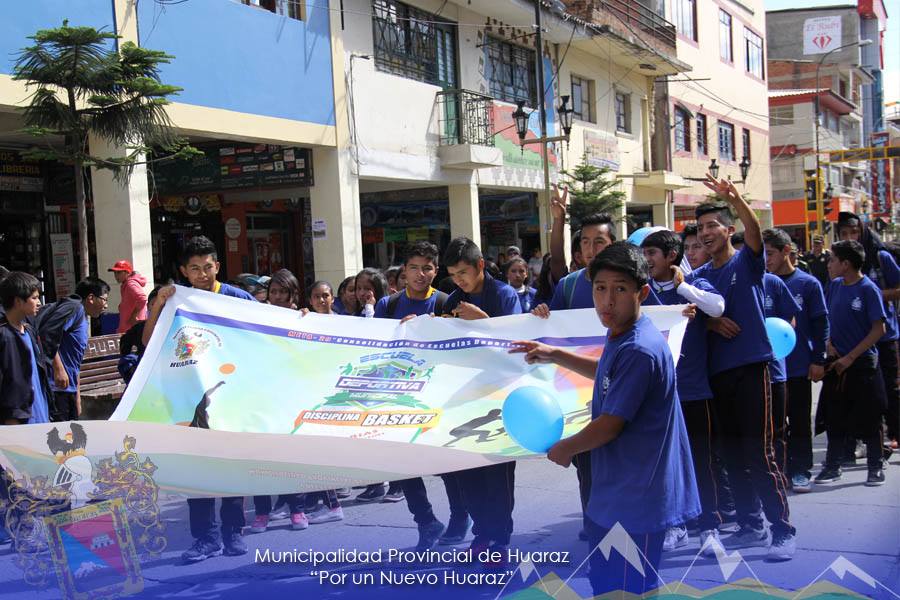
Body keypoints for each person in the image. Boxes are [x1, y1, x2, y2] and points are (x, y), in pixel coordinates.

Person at [511, 243, 699, 595]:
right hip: (620, 489)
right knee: (613, 584)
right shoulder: (623, 335)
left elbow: (611, 423)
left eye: (620, 289)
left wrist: (566, 447)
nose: (608, 301)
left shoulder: (639, 348)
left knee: (625, 588)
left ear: (642, 292)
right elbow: (608, 373)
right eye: (600, 288)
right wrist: (555, 354)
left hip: (636, 497)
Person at [691, 175, 795, 561]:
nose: (704, 234)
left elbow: (755, 230)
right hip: (717, 378)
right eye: (699, 229)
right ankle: (751, 526)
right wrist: (711, 321)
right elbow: (688, 312)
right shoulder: (700, 278)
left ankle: (782, 530)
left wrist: (734, 198)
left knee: (759, 453)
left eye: (712, 226)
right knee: (731, 456)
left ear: (729, 230)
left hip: (752, 370)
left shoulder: (748, 263)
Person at [142, 235, 255, 563]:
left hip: (230, 399)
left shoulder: (238, 298)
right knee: (196, 472)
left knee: (231, 469)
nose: (203, 274)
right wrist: (157, 307)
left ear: (218, 266)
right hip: (190, 403)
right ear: (183, 271)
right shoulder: (176, 302)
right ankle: (205, 538)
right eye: (195, 269)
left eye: (208, 267)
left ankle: (233, 532)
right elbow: (149, 341)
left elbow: (268, 332)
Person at [373, 242, 469, 550]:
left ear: (435, 271)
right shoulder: (387, 306)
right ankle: (426, 521)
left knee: (446, 466)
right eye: (414, 267)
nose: (420, 274)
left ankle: (459, 516)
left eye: (426, 268)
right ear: (404, 271)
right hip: (398, 398)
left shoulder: (446, 302)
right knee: (402, 464)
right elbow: (370, 347)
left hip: (439, 397)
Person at [640, 230, 726, 556]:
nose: (647, 260)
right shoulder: (641, 293)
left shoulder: (695, 284)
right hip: (657, 397)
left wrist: (683, 289)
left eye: (652, 253)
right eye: (644, 253)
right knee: (665, 466)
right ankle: (674, 525)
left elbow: (717, 308)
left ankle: (710, 528)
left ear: (671, 257)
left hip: (693, 392)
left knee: (702, 463)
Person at [440, 236, 521, 565]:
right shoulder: (452, 300)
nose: (459, 281)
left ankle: (500, 538)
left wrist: (481, 320)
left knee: (497, 475)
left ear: (481, 266)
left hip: (499, 397)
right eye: (453, 275)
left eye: (464, 273)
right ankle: (482, 533)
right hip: (464, 398)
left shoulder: (504, 295)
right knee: (467, 473)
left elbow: (516, 345)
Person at [815, 240, 887, 487]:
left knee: (870, 418)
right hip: (836, 364)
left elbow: (879, 329)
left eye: (833, 259)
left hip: (861, 363)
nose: (829, 264)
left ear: (846, 264)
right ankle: (833, 466)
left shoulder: (868, 289)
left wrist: (850, 357)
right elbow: (826, 319)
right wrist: (829, 344)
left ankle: (875, 466)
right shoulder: (834, 286)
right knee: (835, 417)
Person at [763, 228, 828, 493]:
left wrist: (818, 359)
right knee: (774, 426)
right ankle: (779, 471)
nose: (765, 259)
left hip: (800, 365)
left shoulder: (808, 284)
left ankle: (801, 470)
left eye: (770, 254)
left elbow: (821, 323)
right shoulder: (761, 282)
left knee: (800, 421)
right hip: (769, 369)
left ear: (786, 252)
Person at [836, 212, 900, 449]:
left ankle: (895, 432)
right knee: (863, 393)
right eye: (844, 234)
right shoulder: (840, 261)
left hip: (884, 334)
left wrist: (873, 295)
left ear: (862, 231)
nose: (850, 237)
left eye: (854, 232)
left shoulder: (881, 257)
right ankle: (866, 437)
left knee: (890, 388)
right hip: (856, 339)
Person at [0, 272, 54, 546]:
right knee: (17, 480)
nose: (38, 303)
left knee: (31, 478)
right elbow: (8, 382)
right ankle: (22, 534)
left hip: (38, 416)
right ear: (18, 301)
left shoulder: (28, 330)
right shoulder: (4, 336)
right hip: (17, 420)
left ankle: (25, 530)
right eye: (34, 298)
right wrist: (10, 420)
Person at [36, 278, 110, 421]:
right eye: (104, 300)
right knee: (60, 439)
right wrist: (58, 369)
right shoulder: (74, 309)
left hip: (68, 389)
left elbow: (74, 362)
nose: (106, 305)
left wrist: (77, 395)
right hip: (56, 388)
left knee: (71, 437)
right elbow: (46, 334)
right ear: (91, 298)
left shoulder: (82, 315)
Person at [118, 285, 162, 384]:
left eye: (163, 306)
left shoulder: (175, 329)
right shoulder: (140, 328)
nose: (158, 309)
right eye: (154, 304)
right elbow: (125, 342)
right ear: (148, 306)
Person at [108, 260, 148, 334]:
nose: (116, 275)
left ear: (127, 272)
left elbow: (143, 299)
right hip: (128, 330)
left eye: (119, 272)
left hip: (133, 331)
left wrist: (134, 315)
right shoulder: (126, 284)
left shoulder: (131, 284)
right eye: (115, 273)